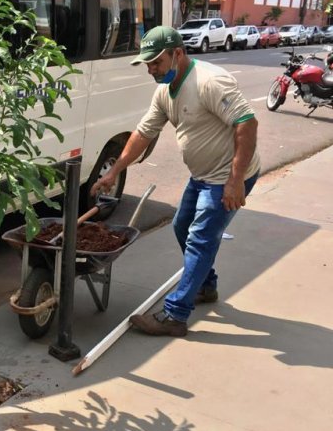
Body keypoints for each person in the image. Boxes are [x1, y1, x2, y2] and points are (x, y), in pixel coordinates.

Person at [92, 25, 260, 337]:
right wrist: (114, 171)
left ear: (178, 53)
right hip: (202, 175)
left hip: (227, 177)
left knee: (200, 238)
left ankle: (175, 315)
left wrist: (235, 181)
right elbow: (143, 134)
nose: (151, 70)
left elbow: (247, 124)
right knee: (182, 226)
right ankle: (205, 286)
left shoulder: (209, 82)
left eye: (156, 62)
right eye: (147, 64)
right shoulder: (164, 92)